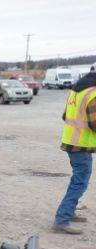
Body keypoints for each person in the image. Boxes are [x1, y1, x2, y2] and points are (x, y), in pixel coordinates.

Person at [53, 71, 96, 234]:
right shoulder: (93, 94)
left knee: (77, 180)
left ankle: (68, 213)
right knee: (80, 182)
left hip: (72, 142)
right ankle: (62, 219)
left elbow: (65, 116)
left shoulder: (76, 91)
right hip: (81, 146)